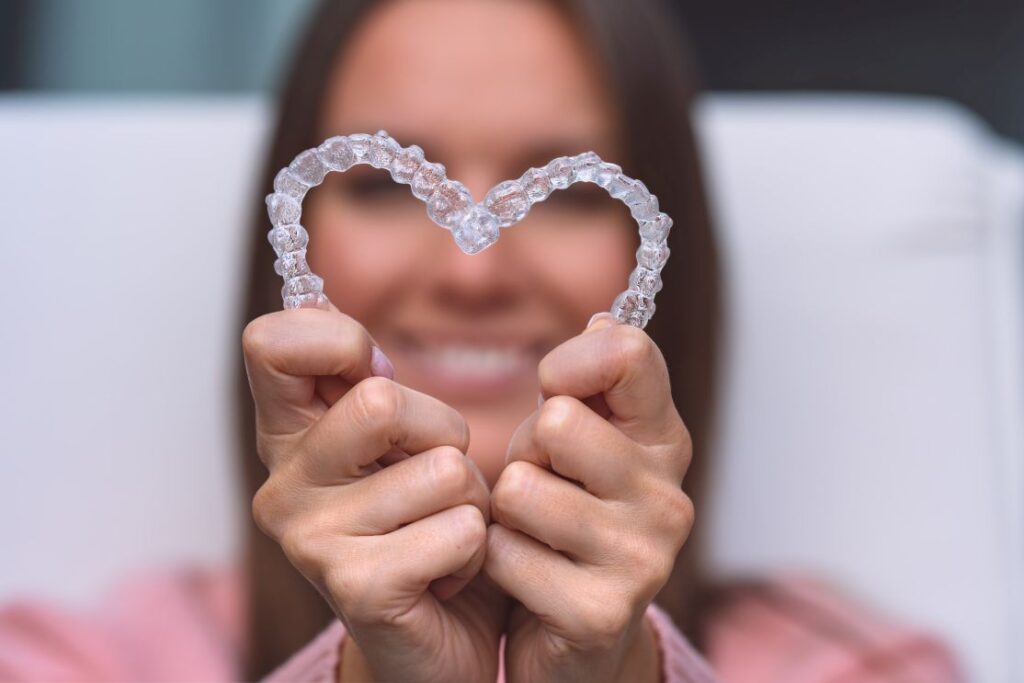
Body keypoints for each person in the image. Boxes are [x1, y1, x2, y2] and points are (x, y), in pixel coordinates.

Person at [0, 0, 962, 681]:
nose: (474, 274)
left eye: (568, 193)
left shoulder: (860, 666)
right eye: (383, 186)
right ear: (290, 247)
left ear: (664, 251)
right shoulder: (68, 661)